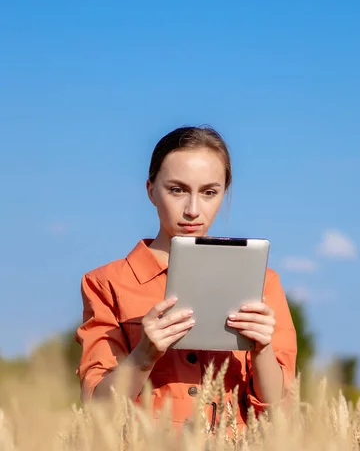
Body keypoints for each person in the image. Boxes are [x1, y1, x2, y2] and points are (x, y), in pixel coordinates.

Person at [75, 125, 297, 432]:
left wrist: (262, 350)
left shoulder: (263, 282)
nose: (193, 210)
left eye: (209, 192)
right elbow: (98, 407)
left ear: (224, 194)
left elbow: (279, 410)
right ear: (151, 190)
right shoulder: (106, 283)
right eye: (177, 190)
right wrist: (144, 354)